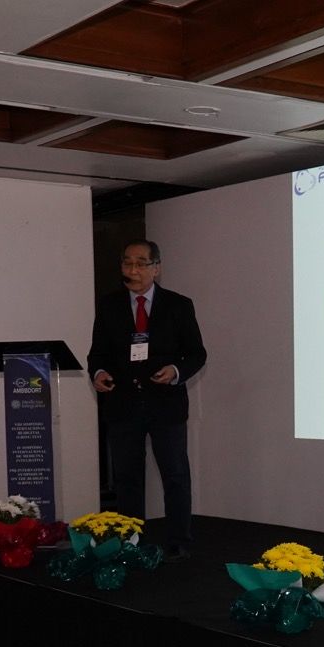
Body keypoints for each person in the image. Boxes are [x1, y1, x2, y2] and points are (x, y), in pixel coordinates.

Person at [88, 239, 206, 559]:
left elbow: (197, 353)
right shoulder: (109, 305)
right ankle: (131, 541)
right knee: (127, 477)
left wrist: (175, 370)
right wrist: (99, 372)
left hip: (166, 405)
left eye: (141, 263)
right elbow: (97, 353)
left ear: (157, 268)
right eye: (127, 263)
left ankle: (179, 541)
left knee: (175, 475)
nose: (133, 270)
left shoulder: (179, 305)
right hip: (123, 405)